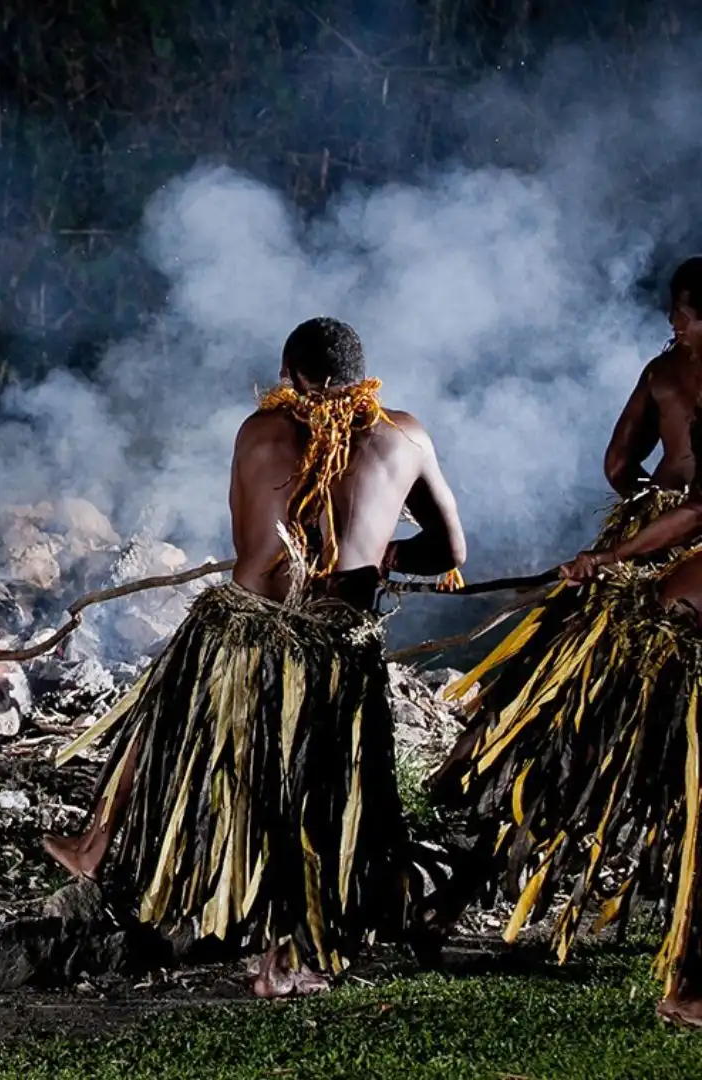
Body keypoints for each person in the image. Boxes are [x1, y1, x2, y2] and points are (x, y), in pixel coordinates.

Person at [40, 316, 466, 997]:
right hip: (334, 642)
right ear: (360, 375)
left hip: (244, 629)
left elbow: (248, 532)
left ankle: (97, 847)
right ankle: (289, 952)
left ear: (290, 375)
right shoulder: (405, 436)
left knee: (165, 720)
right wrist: (386, 553)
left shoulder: (258, 431)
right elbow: (450, 553)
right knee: (312, 788)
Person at [428, 257, 702, 1028]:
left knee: (552, 726)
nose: (674, 327)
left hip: (647, 558)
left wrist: (631, 530)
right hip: (659, 569)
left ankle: (449, 898)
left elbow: (620, 465)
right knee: (563, 731)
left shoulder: (664, 372)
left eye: (681, 314)